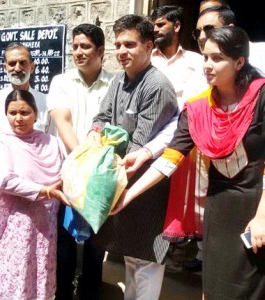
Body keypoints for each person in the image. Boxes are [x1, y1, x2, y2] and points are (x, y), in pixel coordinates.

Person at [114, 26, 265, 299]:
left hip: (258, 204)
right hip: (219, 207)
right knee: (217, 285)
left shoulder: (261, 98)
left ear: (239, 62)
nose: (207, 65)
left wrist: (262, 216)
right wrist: (128, 195)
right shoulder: (198, 109)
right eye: (205, 57)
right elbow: (171, 156)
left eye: (217, 58)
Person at [87, 14, 178, 300]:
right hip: (120, 181)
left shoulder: (157, 86)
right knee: (130, 260)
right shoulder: (117, 81)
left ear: (149, 46)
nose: (122, 51)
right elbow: (101, 116)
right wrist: (94, 132)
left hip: (145, 188)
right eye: (118, 44)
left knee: (147, 264)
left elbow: (141, 143)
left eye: (130, 44)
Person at [47, 23, 114, 300]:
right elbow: (62, 123)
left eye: (85, 46)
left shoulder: (115, 83)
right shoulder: (61, 81)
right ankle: (63, 293)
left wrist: (93, 169)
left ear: (100, 51)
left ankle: (89, 292)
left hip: (101, 176)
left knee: (97, 242)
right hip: (67, 172)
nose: (78, 52)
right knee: (64, 239)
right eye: (74, 46)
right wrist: (81, 165)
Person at [0, 89, 69, 300]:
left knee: (39, 273)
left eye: (24, 112)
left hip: (44, 225)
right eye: (12, 113)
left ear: (36, 114)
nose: (18, 118)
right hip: (12, 226)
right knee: (12, 277)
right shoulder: (0, 142)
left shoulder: (52, 143)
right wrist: (45, 190)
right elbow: (6, 181)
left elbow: (68, 172)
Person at [0, 42, 50, 139]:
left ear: (32, 67)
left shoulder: (46, 102)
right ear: (5, 68)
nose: (17, 68)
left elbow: (51, 142)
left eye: (22, 63)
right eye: (12, 63)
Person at [150, 5, 202, 109]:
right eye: (153, 26)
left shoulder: (196, 61)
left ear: (177, 26)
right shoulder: (146, 60)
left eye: (160, 25)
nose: (155, 30)